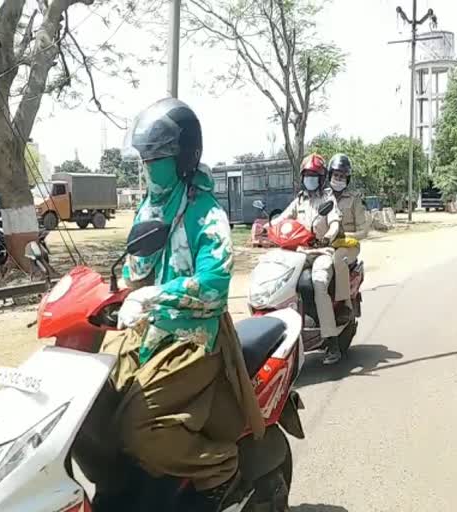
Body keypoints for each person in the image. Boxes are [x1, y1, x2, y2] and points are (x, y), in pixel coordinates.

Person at [104, 98, 265, 511]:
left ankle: (220, 469)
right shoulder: (150, 205)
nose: (147, 167)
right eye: (144, 158)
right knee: (96, 404)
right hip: (147, 331)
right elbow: (136, 268)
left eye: (156, 158)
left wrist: (154, 295)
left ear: (182, 158)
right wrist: (117, 293)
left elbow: (214, 285)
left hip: (194, 336)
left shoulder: (205, 213)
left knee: (139, 427)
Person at [273, 153, 344, 365]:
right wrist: (267, 226)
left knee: (318, 282)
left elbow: (334, 221)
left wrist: (330, 234)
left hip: (322, 252)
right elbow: (282, 219)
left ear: (321, 178)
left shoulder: (327, 199)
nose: (309, 179)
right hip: (299, 253)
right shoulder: (300, 200)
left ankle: (332, 342)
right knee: (281, 281)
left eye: (314, 175)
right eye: (307, 175)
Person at [327, 153, 368, 319]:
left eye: (342, 176)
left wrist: (345, 237)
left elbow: (363, 231)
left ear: (347, 178)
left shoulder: (354, 199)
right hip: (326, 243)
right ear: (330, 175)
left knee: (338, 259)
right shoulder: (323, 196)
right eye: (336, 175)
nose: (338, 179)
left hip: (349, 246)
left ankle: (345, 304)